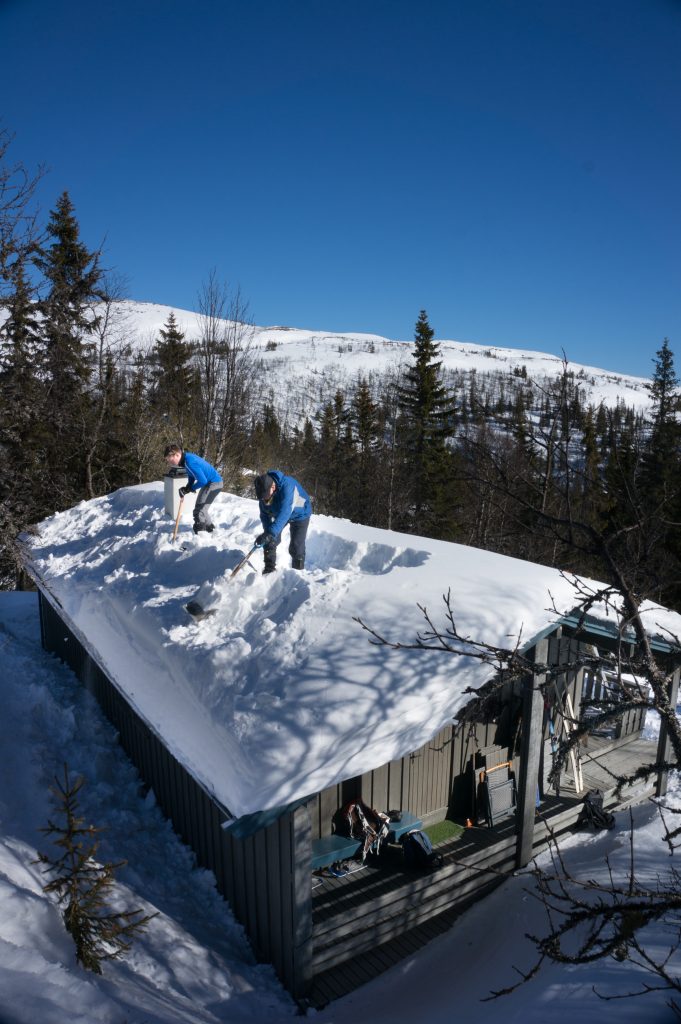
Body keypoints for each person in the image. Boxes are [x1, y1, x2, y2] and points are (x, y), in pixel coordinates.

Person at [254, 470, 312, 574]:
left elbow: (285, 512)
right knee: (270, 540)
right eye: (262, 496)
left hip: (300, 514)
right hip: (281, 512)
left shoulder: (287, 487)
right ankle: (269, 569)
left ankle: (296, 574)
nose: (264, 498)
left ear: (273, 487)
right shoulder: (264, 492)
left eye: (265, 495)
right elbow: (264, 515)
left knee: (296, 546)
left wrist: (270, 533)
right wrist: (267, 534)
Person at [164, 444, 222, 534]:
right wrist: (187, 487)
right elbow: (192, 475)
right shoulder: (186, 459)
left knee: (199, 510)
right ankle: (210, 528)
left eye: (170, 460)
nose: (170, 463)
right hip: (210, 483)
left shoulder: (189, 462)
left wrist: (190, 489)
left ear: (177, 455)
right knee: (201, 508)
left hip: (214, 483)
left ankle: (200, 531)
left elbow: (202, 481)